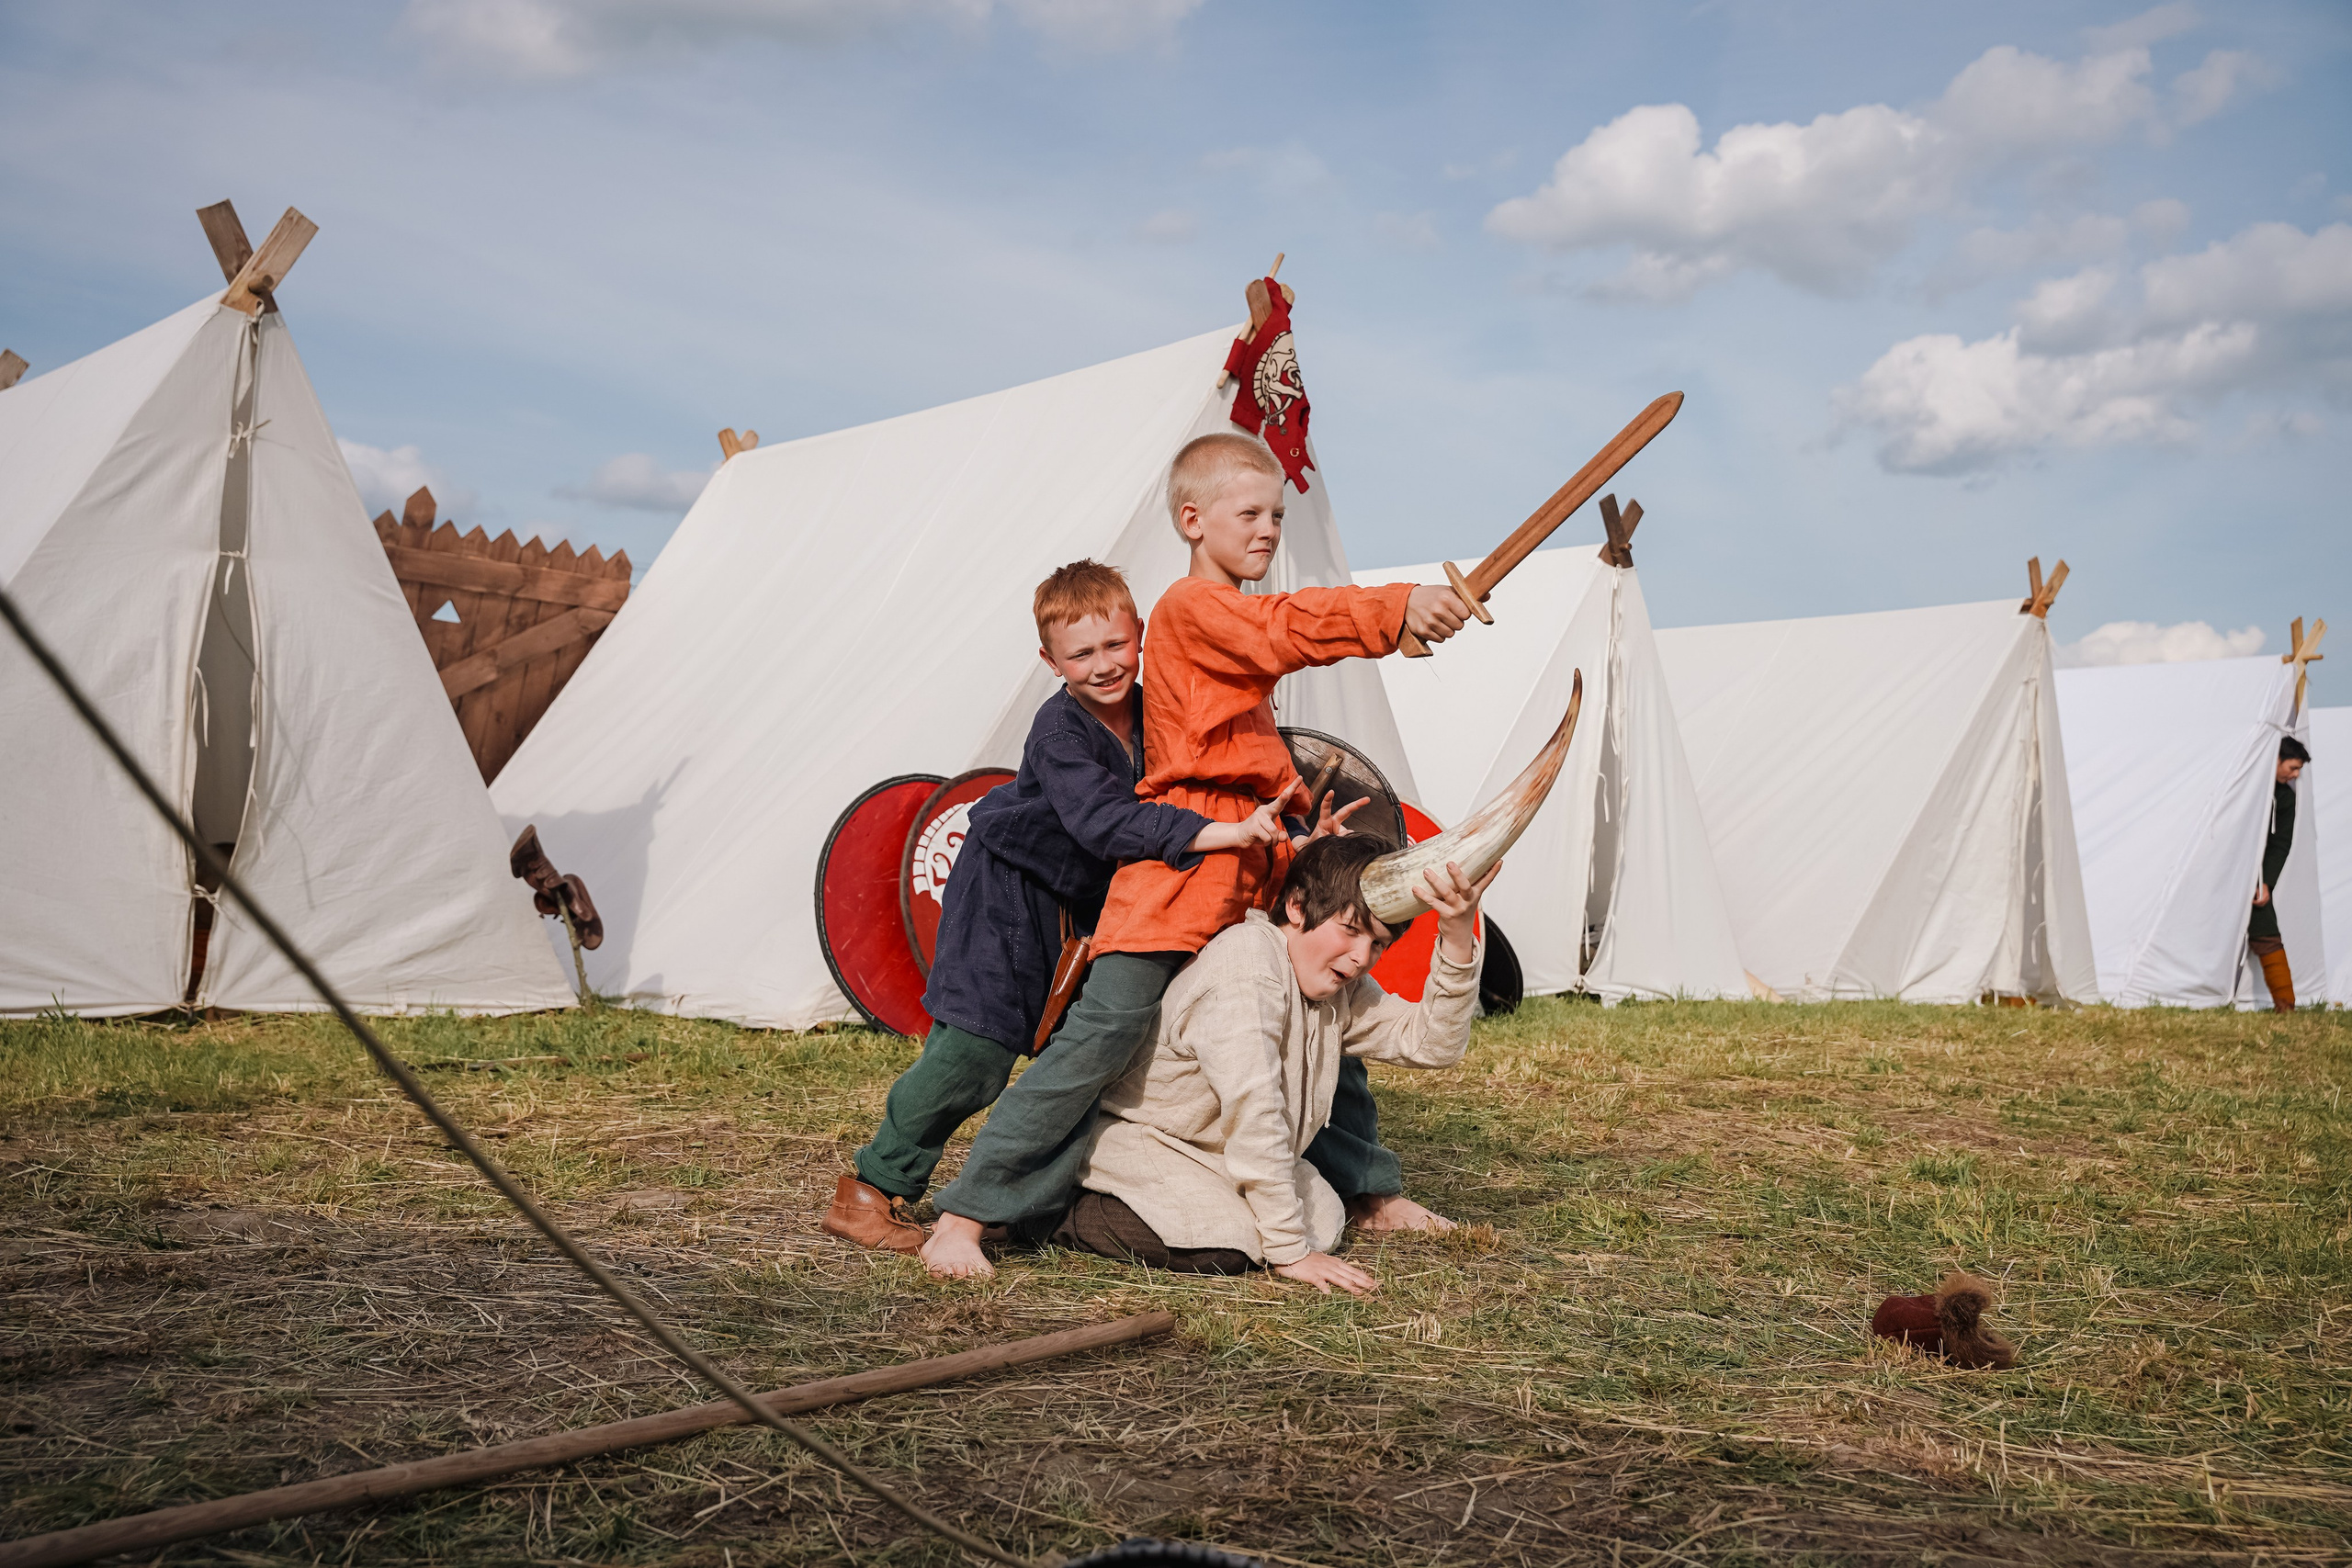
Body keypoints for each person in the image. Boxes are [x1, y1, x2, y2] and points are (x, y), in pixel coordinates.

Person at [919, 432, 1472, 1280]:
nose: (1267, 530)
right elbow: (1286, 627)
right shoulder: (1191, 607)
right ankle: (964, 1216)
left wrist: (1294, 830)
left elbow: (1244, 748)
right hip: (1177, 879)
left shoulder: (1227, 622)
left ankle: (1368, 1191)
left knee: (1321, 1017)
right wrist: (1396, 609)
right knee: (1095, 1045)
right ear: (1191, 519)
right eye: (1248, 513)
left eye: (1278, 515)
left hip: (1249, 864)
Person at [821, 560, 1261, 1252]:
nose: (1104, 664)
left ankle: (1020, 1199)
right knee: (976, 1047)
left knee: (1082, 1056)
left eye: (1115, 645)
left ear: (1139, 634)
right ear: (1049, 659)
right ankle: (872, 1186)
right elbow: (1101, 821)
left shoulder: (1156, 714)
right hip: (1006, 890)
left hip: (1086, 904)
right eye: (1081, 653)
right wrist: (1210, 833)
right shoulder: (1059, 730)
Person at [1049, 835, 1495, 1296]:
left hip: (1215, 1155)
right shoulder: (1248, 966)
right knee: (1227, 1247)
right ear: (1298, 907)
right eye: (1350, 929)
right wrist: (1291, 1252)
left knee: (1323, 1217)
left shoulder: (1336, 983)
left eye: (1377, 943)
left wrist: (1459, 933)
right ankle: (1054, 1212)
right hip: (1147, 1143)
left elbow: (1431, 1045)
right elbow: (1254, 1108)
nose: (1363, 958)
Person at [2248, 736, 2310, 1013]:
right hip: (2230, 871)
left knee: (2266, 929)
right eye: (2293, 768)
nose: (2295, 775)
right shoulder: (2246, 785)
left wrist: (2266, 882)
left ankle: (2285, 1006)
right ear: (2276, 760)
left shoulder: (2285, 797)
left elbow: (2281, 843)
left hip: (2256, 875)